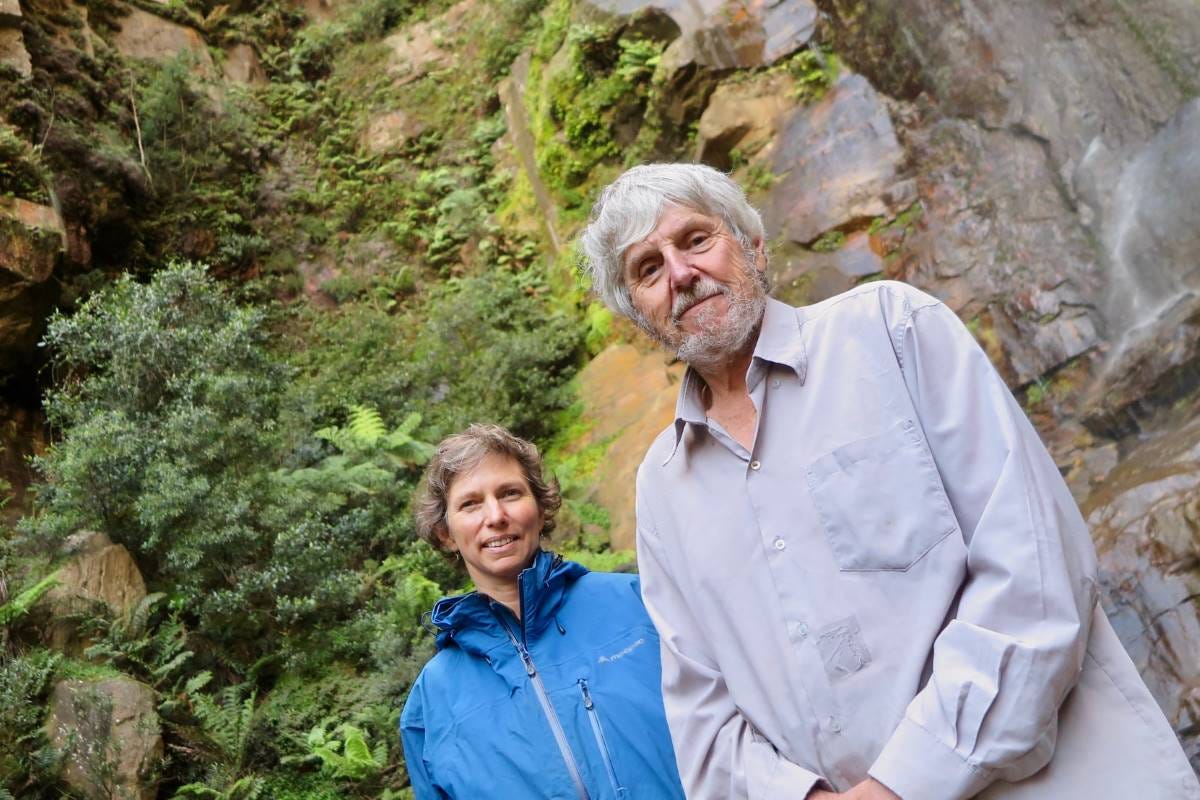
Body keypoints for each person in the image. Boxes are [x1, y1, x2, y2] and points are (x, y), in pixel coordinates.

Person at [577, 163, 1200, 799]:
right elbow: (702, 718)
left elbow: (1036, 569)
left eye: (696, 239)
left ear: (754, 247)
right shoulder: (661, 487)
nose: (680, 274)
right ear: (639, 315)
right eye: (648, 269)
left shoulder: (892, 330)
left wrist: (899, 785)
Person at [399, 423, 685, 800]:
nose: (495, 515)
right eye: (470, 504)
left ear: (539, 505)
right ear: (445, 533)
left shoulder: (640, 603)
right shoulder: (433, 701)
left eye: (510, 493)